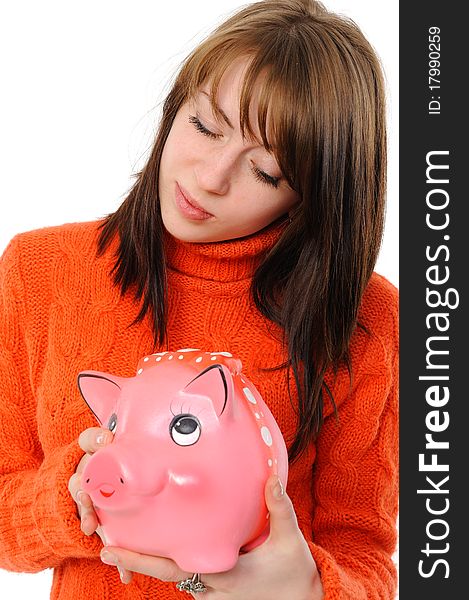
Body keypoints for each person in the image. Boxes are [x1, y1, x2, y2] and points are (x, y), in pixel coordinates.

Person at [0, 0, 398, 598]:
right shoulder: (41, 271)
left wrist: (311, 590)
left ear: (310, 196)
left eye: (265, 171)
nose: (210, 177)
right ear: (175, 105)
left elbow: (366, 554)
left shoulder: (365, 318)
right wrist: (73, 495)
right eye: (205, 126)